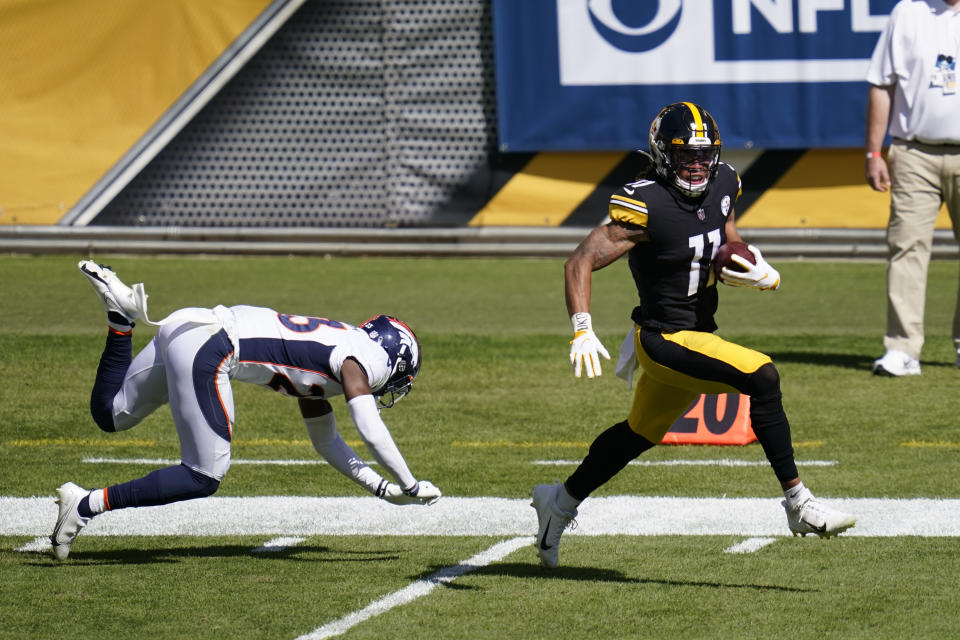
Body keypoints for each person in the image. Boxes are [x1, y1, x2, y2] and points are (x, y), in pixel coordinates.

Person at [530, 102, 857, 569]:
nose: (698, 165)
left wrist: (750, 265)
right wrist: (582, 328)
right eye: (687, 156)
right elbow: (579, 260)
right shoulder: (645, 202)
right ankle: (798, 503)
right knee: (762, 375)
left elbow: (725, 237)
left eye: (705, 154)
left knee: (637, 433)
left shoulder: (724, 182)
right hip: (663, 339)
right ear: (664, 155)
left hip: (697, 331)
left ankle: (557, 503)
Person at [51, 261, 441, 560]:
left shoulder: (337, 354)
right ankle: (86, 505)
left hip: (188, 323)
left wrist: (383, 489)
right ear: (396, 360)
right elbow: (369, 430)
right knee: (204, 475)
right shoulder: (367, 360)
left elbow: (327, 442)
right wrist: (409, 482)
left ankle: (121, 320)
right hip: (213, 345)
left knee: (111, 413)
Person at [865, 0, 960, 377]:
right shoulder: (907, 11)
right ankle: (903, 349)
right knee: (906, 247)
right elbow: (881, 84)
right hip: (913, 151)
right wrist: (874, 151)